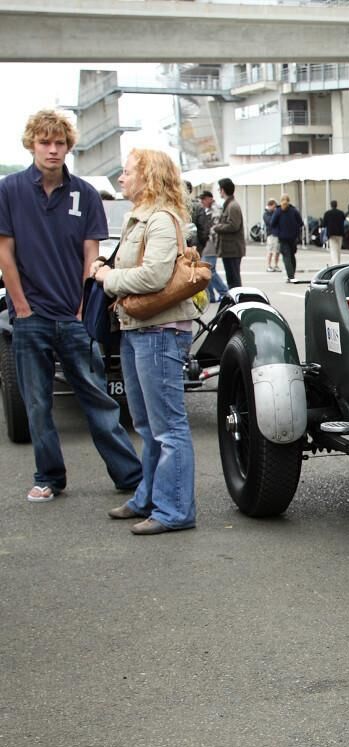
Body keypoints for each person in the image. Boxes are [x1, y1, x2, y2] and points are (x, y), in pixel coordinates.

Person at [0, 108, 141, 502]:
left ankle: (130, 476)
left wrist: (80, 309)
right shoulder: (8, 190)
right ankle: (48, 477)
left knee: (97, 400)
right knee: (38, 404)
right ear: (32, 144)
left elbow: (90, 257)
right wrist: (22, 308)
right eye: (45, 142)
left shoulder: (85, 193)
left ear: (68, 147)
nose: (53, 149)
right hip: (30, 319)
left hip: (74, 317)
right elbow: (5, 255)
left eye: (60, 143)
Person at [90, 148, 199, 534]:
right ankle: (149, 498)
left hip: (159, 331)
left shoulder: (160, 219)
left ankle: (174, 511)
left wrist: (106, 279)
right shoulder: (144, 218)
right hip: (141, 330)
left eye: (127, 172)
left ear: (148, 177)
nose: (121, 178)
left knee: (167, 426)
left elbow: (153, 277)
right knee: (148, 424)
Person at [211, 178, 245, 288]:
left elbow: (234, 225)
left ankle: (238, 302)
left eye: (219, 189)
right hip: (229, 249)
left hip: (233, 249)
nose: (219, 192)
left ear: (223, 190)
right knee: (231, 279)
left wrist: (217, 227)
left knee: (234, 280)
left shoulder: (233, 206)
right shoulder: (229, 204)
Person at [195, 190, 228, 302]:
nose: (202, 201)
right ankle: (211, 296)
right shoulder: (206, 209)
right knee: (206, 269)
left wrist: (206, 237)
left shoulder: (215, 209)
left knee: (209, 269)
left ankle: (224, 292)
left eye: (204, 199)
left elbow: (214, 226)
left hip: (211, 242)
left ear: (209, 198)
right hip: (206, 242)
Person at [271, 194, 304, 282]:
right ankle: (292, 274)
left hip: (282, 237)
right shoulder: (294, 211)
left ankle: (290, 276)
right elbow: (301, 223)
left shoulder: (278, 211)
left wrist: (278, 230)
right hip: (293, 237)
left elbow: (272, 223)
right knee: (292, 255)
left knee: (286, 256)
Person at [323, 199, 346, 265]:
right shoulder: (341, 213)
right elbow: (344, 220)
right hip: (340, 233)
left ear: (331, 205)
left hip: (331, 233)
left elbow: (324, 224)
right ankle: (338, 262)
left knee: (333, 249)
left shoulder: (327, 213)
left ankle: (335, 263)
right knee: (338, 249)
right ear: (336, 205)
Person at [263, 198, 280, 272]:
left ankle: (276, 265)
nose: (275, 208)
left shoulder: (275, 212)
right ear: (270, 206)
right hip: (271, 234)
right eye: (274, 206)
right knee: (270, 250)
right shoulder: (266, 214)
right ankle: (269, 265)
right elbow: (270, 222)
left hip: (277, 234)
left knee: (277, 251)